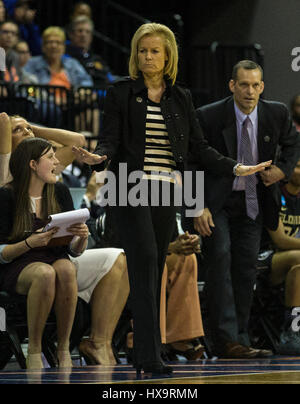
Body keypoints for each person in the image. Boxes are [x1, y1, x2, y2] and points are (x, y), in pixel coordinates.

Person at [73, 24, 271, 375]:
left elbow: (197, 150)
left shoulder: (180, 97)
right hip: (128, 187)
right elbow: (109, 140)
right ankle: (147, 356)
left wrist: (234, 167)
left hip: (166, 190)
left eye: (154, 51)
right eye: (142, 51)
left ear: (167, 57)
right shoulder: (121, 92)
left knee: (157, 267)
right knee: (147, 259)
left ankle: (150, 353)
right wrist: (97, 158)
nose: (147, 57)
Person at [195, 60, 300, 359]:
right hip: (216, 203)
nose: (250, 91)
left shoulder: (277, 113)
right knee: (221, 257)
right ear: (232, 86)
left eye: (255, 85)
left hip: (253, 201)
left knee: (245, 269)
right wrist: (197, 206)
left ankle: (238, 338)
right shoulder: (210, 116)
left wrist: (281, 169)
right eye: (243, 85)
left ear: (262, 87)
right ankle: (225, 339)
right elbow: (191, 162)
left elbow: (294, 144)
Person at [0, 137, 89, 370]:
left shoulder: (59, 191)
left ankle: (63, 347)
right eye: (50, 157)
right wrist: (30, 242)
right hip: (18, 263)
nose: (57, 161)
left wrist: (81, 237)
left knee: (67, 267)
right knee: (45, 274)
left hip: (53, 256)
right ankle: (35, 349)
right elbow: (2, 253)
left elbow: (72, 251)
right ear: (32, 164)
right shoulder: (6, 196)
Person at [262, 159, 300, 354]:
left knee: (298, 268)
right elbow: (280, 240)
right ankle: (291, 331)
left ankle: (293, 332)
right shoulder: (275, 193)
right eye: (298, 166)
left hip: (294, 261)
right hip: (266, 257)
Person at [0, 112, 86, 187]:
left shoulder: (42, 164)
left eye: (29, 129)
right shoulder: (4, 164)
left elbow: (78, 141)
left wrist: (31, 129)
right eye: (17, 130)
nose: (27, 132)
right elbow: (3, 119)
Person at [24, 26, 93, 91]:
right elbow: (25, 84)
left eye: (58, 42)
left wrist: (82, 91)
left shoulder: (72, 64)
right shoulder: (32, 63)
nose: (54, 46)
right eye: (50, 42)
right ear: (43, 47)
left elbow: (87, 82)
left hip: (70, 102)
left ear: (64, 47)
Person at [66, 16, 116, 87]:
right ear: (71, 34)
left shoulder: (96, 59)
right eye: (80, 31)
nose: (83, 35)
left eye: (87, 32)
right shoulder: (65, 58)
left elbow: (110, 79)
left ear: (91, 37)